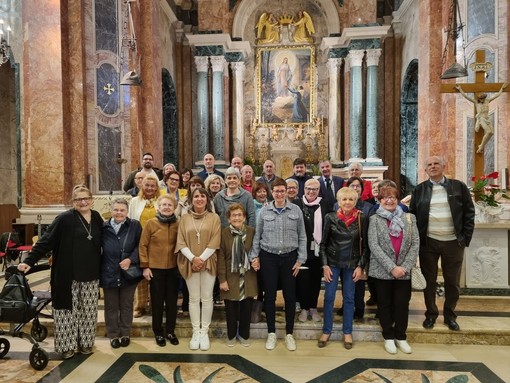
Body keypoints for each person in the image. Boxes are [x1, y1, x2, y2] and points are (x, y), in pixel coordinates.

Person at [18, 185, 103, 359]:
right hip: (67, 275)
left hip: (91, 274)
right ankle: (67, 347)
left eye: (86, 198)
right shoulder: (64, 219)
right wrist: (29, 261)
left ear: (92, 199)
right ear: (73, 202)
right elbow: (45, 241)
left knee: (88, 311)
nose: (83, 202)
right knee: (65, 312)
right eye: (79, 199)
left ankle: (86, 343)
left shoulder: (96, 217)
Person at [409, 156, 475, 331]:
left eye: (436, 163)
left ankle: (450, 315)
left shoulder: (458, 186)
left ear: (444, 166)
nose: (432, 167)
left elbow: (469, 212)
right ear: (425, 170)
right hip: (428, 242)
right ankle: (430, 314)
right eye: (429, 164)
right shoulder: (419, 189)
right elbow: (412, 215)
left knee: (452, 282)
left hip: (453, 242)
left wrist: (465, 238)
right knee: (428, 281)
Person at [250, 179, 307, 351]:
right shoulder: (264, 211)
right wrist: (255, 257)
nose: (280, 194)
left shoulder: (296, 210)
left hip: (290, 259)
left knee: (290, 296)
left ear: (287, 191)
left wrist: (300, 259)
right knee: (270, 296)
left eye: (283, 191)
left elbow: (302, 236)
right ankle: (271, 333)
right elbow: (257, 235)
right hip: (269, 258)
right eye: (276, 191)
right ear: (271, 192)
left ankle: (289, 333)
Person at [368, 185, 419, 354]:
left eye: (392, 197)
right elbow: (373, 245)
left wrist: (403, 267)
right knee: (385, 304)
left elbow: (415, 244)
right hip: (383, 271)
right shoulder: (374, 219)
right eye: (385, 198)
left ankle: (401, 337)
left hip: (404, 271)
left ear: (397, 199)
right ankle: (388, 337)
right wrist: (392, 267)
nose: (389, 200)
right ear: (379, 200)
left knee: (402, 304)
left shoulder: (410, 218)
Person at [318, 187, 367, 350]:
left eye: (350, 199)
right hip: (332, 263)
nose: (347, 202)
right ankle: (326, 330)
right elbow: (323, 244)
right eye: (344, 199)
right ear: (338, 201)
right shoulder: (330, 217)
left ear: (355, 201)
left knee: (349, 299)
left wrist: (360, 266)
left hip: (351, 265)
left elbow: (365, 246)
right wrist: (324, 265)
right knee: (329, 298)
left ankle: (347, 332)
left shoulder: (362, 218)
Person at [176, 187, 221, 351]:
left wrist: (201, 258)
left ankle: (205, 332)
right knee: (194, 298)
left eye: (203, 196)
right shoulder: (184, 218)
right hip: (190, 262)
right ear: (191, 199)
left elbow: (216, 240)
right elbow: (180, 241)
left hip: (208, 261)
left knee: (207, 298)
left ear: (207, 199)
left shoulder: (214, 217)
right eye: (196, 196)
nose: (199, 199)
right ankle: (196, 331)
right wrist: (193, 258)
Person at [139, 194, 180, 347]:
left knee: (171, 302)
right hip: (155, 269)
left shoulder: (178, 224)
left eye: (170, 205)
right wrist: (145, 266)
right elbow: (143, 245)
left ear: (174, 207)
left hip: (173, 269)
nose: (167, 207)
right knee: (156, 302)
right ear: (159, 207)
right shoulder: (151, 224)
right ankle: (158, 332)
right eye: (164, 205)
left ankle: (170, 331)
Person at [101, 198, 142, 349]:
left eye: (122, 210)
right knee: (111, 306)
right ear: (111, 211)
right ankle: (113, 335)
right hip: (109, 272)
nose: (119, 213)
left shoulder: (134, 225)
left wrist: (131, 259)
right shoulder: (103, 227)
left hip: (128, 273)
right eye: (116, 210)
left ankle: (125, 333)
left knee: (126, 305)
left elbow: (140, 245)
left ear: (127, 211)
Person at [217, 204, 258, 347]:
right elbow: (221, 257)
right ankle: (231, 335)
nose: (237, 218)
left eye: (240, 215)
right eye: (234, 215)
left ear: (245, 217)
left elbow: (256, 251)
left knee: (246, 308)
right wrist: (222, 279)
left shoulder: (252, 232)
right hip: (231, 276)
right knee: (231, 309)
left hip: (248, 276)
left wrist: (257, 259)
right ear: (228, 219)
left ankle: (244, 335)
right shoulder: (224, 233)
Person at [292, 178, 330, 323]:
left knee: (315, 280)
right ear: (304, 189)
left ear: (318, 191)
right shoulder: (296, 204)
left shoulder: (324, 204)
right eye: (308, 188)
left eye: (314, 189)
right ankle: (303, 308)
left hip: (319, 249)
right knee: (302, 280)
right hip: (301, 249)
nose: (311, 191)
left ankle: (313, 307)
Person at [129, 174, 161, 318]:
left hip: (157, 244)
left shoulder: (161, 201)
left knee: (156, 276)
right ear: (142, 186)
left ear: (156, 188)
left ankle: (156, 305)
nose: (149, 188)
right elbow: (129, 221)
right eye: (147, 185)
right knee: (140, 276)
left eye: (152, 186)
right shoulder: (135, 201)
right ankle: (140, 306)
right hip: (139, 242)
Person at [456, 83, 508, 153]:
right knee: (488, 131)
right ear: (479, 99)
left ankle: (481, 146)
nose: (482, 100)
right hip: (481, 119)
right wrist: (460, 89)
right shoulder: (476, 102)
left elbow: (497, 95)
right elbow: (466, 97)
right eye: (481, 99)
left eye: (483, 98)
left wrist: (502, 88)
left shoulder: (487, 101)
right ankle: (481, 147)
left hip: (487, 118)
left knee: (492, 133)